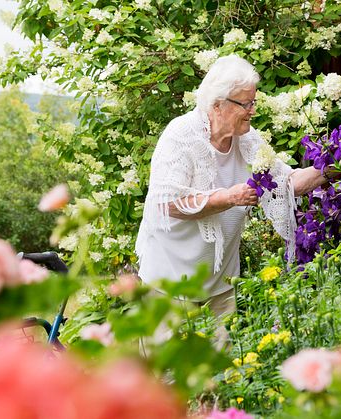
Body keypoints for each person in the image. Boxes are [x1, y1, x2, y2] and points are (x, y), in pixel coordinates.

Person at [135, 55, 327, 348]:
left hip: (221, 282)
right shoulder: (180, 136)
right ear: (217, 105)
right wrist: (228, 198)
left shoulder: (248, 141)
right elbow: (167, 203)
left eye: (253, 102)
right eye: (246, 104)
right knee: (165, 379)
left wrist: (336, 164)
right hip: (169, 281)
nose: (253, 110)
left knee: (224, 376)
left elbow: (287, 183)